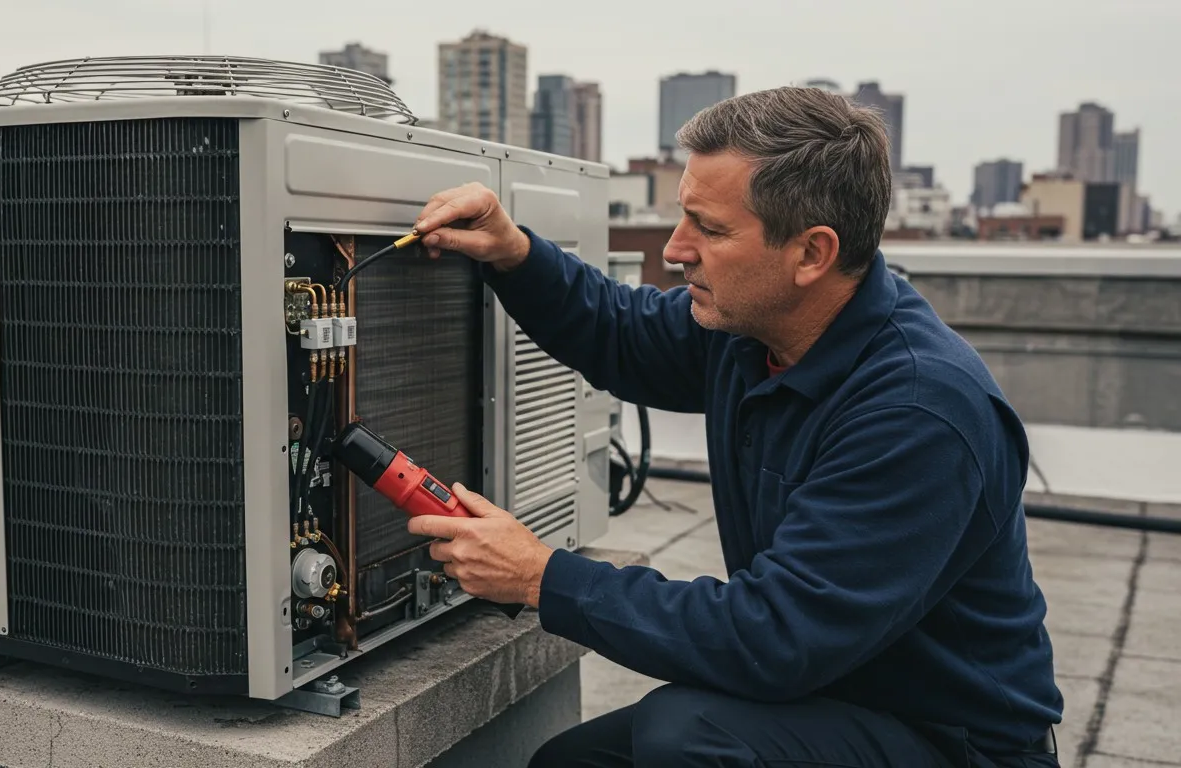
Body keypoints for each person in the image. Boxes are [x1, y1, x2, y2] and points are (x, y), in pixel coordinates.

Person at [404, 86, 1064, 767]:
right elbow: (620, 333)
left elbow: (775, 637)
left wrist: (541, 576)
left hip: (950, 740)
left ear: (811, 253)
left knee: (688, 739)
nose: (675, 249)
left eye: (710, 230)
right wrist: (512, 251)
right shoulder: (754, 329)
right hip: (832, 692)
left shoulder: (917, 411)